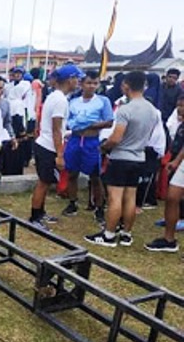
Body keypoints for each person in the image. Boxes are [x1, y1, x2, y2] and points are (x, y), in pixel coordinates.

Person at [85, 71, 160, 247]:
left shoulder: (125, 109)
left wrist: (104, 147)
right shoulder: (152, 110)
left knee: (115, 198)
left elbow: (116, 138)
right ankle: (126, 234)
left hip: (121, 157)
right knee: (130, 197)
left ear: (126, 85)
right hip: (139, 157)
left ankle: (109, 235)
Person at [29, 65, 83, 230]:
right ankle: (34, 217)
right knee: (43, 183)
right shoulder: (60, 100)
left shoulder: (56, 96)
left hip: (45, 143)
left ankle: (41, 212)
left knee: (45, 182)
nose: (78, 82)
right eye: (77, 79)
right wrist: (60, 154)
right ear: (69, 79)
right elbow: (55, 129)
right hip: (48, 146)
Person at [61, 71, 114, 223]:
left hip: (91, 142)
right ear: (82, 84)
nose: (92, 86)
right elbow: (68, 120)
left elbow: (109, 121)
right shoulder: (73, 101)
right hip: (75, 140)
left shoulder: (103, 101)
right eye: (89, 83)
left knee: (95, 177)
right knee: (72, 173)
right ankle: (72, 203)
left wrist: (89, 125)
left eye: (95, 83)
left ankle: (99, 208)